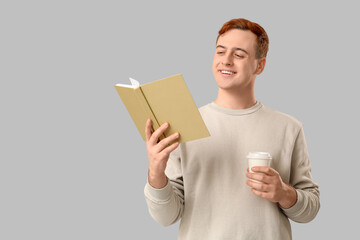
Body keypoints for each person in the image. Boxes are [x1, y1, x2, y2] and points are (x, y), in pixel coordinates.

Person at [143, 18, 320, 240]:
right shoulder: (183, 125)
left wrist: (284, 193)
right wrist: (155, 173)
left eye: (239, 55)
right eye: (220, 52)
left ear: (260, 65)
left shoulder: (289, 128)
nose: (226, 61)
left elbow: (310, 210)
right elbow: (166, 217)